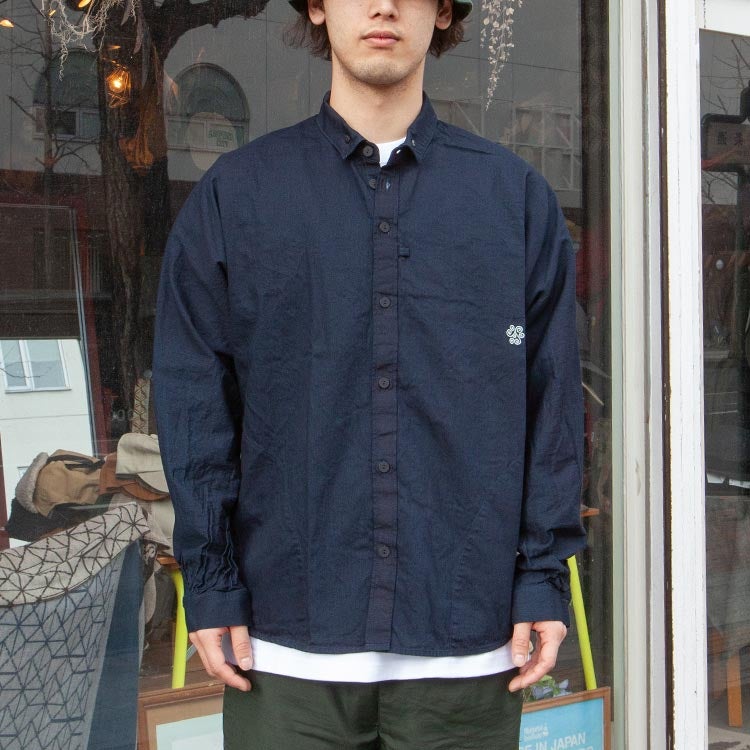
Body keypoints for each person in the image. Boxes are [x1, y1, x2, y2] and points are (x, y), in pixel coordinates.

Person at [151, 0, 587, 744]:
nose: (384, 6)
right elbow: (196, 403)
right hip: (282, 651)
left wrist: (542, 575)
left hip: (467, 647)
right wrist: (213, 581)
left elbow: (552, 407)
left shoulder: (514, 200)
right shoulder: (238, 195)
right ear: (318, 7)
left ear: (442, 11)